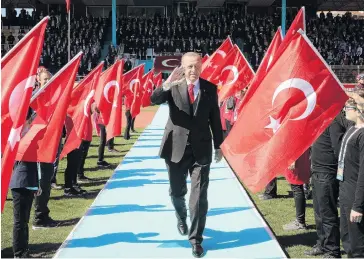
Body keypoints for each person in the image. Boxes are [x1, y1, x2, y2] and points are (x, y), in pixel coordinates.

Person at [150, 52, 223, 258]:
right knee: (177, 192)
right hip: (175, 147)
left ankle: (196, 240)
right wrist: (166, 84)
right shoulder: (173, 85)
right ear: (181, 67)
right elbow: (153, 99)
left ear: (201, 67)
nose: (193, 70)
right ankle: (181, 216)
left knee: (199, 197)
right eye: (189, 66)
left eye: (196, 66)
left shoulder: (209, 88)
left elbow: (215, 119)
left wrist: (219, 145)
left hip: (201, 150)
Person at [305, 112, 352, 258]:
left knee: (328, 214)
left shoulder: (333, 122)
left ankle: (332, 250)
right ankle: (322, 244)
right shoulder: (320, 121)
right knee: (319, 213)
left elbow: (339, 149)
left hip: (327, 173)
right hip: (317, 171)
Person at [337, 92, 364, 258]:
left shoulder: (362, 135)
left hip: (356, 193)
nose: (345, 110)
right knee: (347, 237)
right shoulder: (352, 128)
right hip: (345, 190)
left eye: (349, 107)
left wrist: (358, 206)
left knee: (358, 243)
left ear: (359, 111)